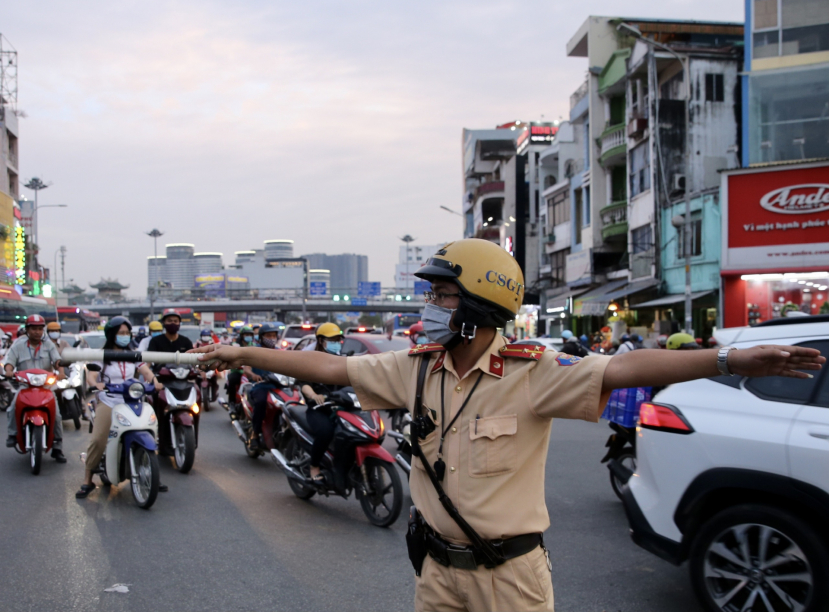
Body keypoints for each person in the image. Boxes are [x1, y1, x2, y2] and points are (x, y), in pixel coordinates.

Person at [190, 239, 823, 612]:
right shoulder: (414, 368)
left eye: (441, 296)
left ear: (476, 306)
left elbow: (626, 366)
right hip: (436, 571)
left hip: (509, 578)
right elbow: (329, 368)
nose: (429, 307)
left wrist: (730, 357)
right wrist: (242, 354)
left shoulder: (534, 372)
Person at [75, 317, 164, 498]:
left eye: (127, 333)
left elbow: (146, 372)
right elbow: (92, 375)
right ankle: (87, 480)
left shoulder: (134, 355)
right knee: (99, 439)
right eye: (120, 333)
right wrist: (96, 384)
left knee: (150, 429)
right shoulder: (102, 355)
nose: (125, 336)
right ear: (112, 334)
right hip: (109, 401)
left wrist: (155, 382)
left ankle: (151, 473)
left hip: (131, 401)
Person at [4, 314, 67, 462]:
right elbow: (10, 361)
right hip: (25, 387)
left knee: (56, 415)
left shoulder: (49, 345)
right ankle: (13, 434)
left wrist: (62, 373)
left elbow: (57, 361)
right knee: (12, 407)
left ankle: (57, 446)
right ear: (27, 330)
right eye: (33, 329)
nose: (37, 332)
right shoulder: (18, 344)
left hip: (46, 388)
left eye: (40, 329)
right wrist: (8, 370)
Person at [297, 322, 345, 481]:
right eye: (332, 339)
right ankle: (314, 465)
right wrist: (313, 395)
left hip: (340, 407)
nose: (336, 342)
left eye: (338, 339)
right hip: (318, 409)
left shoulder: (341, 361)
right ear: (321, 341)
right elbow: (304, 384)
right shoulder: (311, 360)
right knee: (326, 432)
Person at [247, 322, 284, 450]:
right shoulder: (254, 351)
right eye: (269, 335)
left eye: (274, 335)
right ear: (261, 337)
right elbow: (246, 368)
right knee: (261, 403)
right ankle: (255, 434)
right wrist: (253, 375)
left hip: (277, 387)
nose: (272, 338)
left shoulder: (280, 352)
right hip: (260, 386)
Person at [225, 325, 256, 413]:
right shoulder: (235, 345)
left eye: (250, 335)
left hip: (250, 372)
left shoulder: (254, 345)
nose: (248, 336)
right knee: (232, 380)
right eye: (246, 334)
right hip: (238, 371)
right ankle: (231, 403)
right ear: (242, 335)